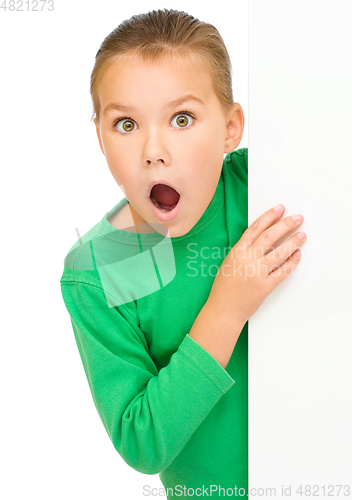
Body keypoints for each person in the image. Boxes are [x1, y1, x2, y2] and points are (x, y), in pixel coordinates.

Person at [60, 9, 307, 498]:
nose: (154, 150)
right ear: (99, 139)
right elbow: (142, 442)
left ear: (231, 128)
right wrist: (227, 307)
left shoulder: (266, 184)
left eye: (182, 119)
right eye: (126, 123)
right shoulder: (96, 274)